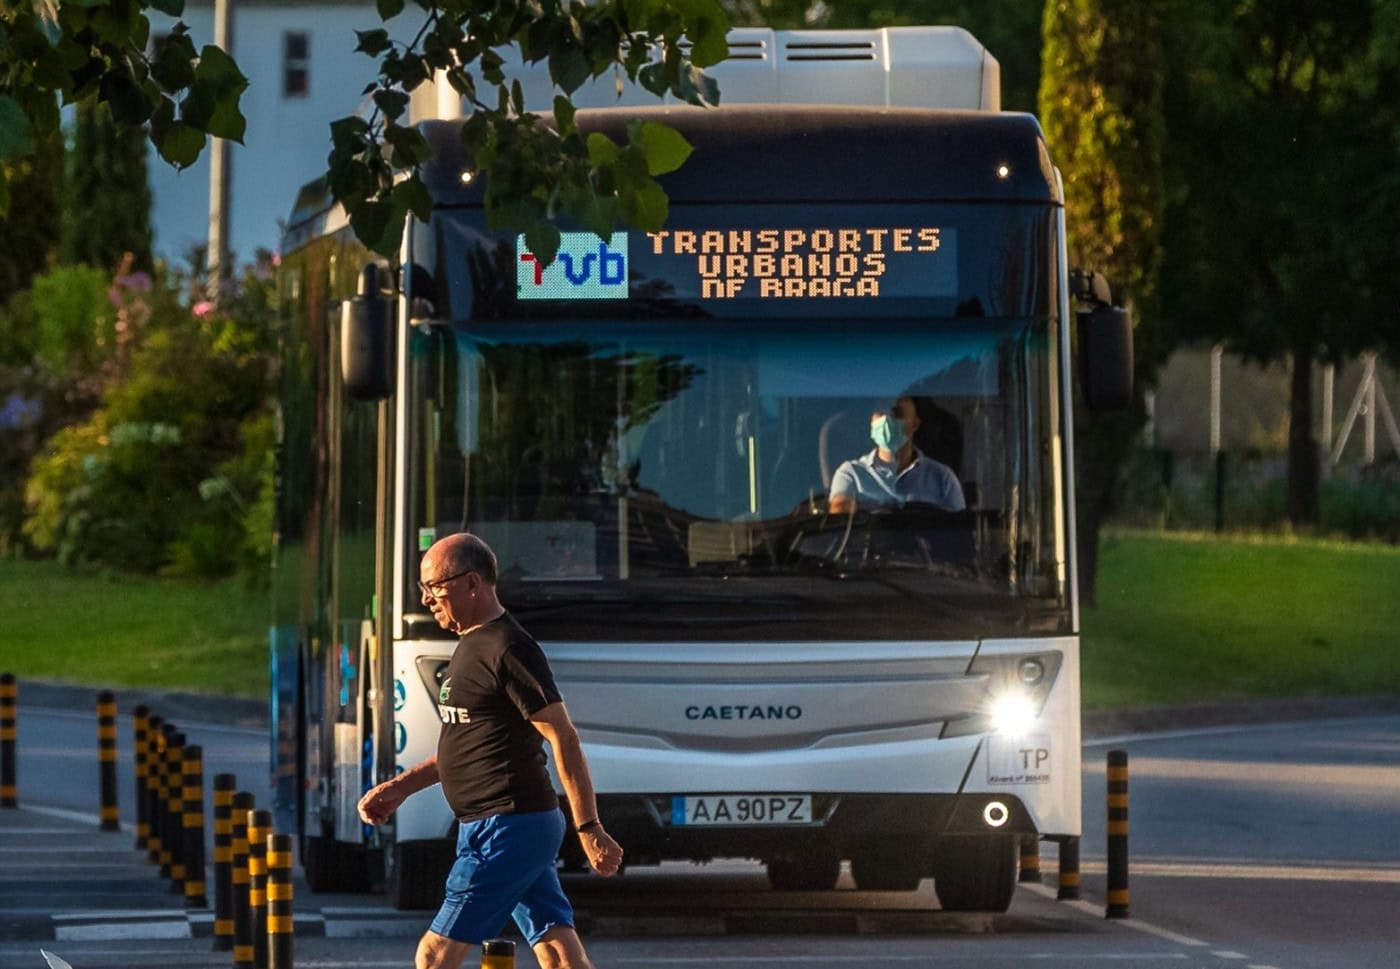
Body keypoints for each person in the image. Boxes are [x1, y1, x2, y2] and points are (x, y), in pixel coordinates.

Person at [357, 532, 623, 969]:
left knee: (434, 954)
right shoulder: (470, 646)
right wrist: (401, 788)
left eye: (434, 587)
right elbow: (465, 746)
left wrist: (589, 826)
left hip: (507, 826)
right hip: (499, 826)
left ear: (472, 583)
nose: (426, 599)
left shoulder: (509, 648)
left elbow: (563, 736)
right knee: (558, 953)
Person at [827, 396, 966, 514]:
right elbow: (840, 524)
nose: (886, 421)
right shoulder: (851, 474)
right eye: (880, 413)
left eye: (896, 414)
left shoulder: (942, 478)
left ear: (915, 424)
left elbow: (959, 534)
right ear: (871, 422)